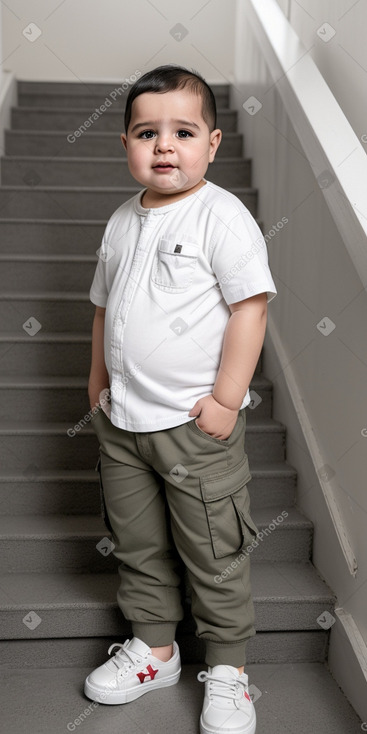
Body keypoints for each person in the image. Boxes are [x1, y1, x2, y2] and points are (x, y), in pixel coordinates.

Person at [84, 64, 277, 734]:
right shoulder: (118, 222)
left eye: (182, 132)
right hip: (122, 422)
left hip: (195, 428)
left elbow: (249, 309)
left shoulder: (221, 216)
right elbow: (104, 309)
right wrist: (95, 381)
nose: (164, 145)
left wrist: (226, 399)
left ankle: (227, 669)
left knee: (213, 549)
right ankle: (155, 649)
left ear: (212, 143)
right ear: (127, 145)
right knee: (137, 543)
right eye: (146, 132)